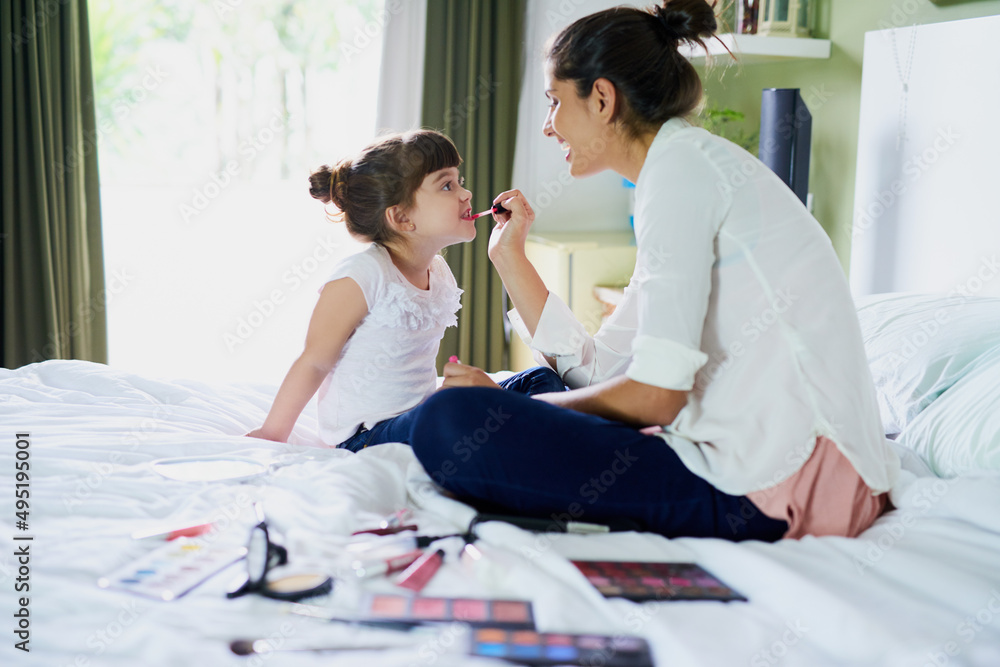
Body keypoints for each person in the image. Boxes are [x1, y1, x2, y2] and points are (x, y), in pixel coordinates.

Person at [405, 0, 900, 541]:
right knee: (519, 393)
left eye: (554, 103)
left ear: (601, 98)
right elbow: (602, 372)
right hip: (764, 465)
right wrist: (510, 258)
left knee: (452, 423)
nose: (549, 127)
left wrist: (501, 408)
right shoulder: (678, 170)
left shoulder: (682, 176)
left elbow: (655, 397)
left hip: (789, 482)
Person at [246, 130, 566, 451]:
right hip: (365, 436)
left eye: (459, 180)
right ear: (401, 217)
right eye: (447, 185)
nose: (466, 194)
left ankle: (533, 436)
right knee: (454, 407)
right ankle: (531, 436)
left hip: (421, 415)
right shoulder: (361, 275)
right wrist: (273, 432)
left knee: (545, 381)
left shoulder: (439, 272)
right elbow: (314, 361)